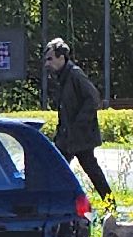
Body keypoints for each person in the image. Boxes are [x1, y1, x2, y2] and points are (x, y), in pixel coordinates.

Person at [43, 37, 113, 202]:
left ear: (62, 58)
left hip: (80, 136)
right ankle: (107, 204)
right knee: (58, 169)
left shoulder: (75, 74)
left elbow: (93, 98)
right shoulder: (63, 76)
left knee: (89, 170)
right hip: (69, 136)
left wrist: (79, 124)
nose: (47, 64)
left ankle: (110, 205)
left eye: (50, 59)